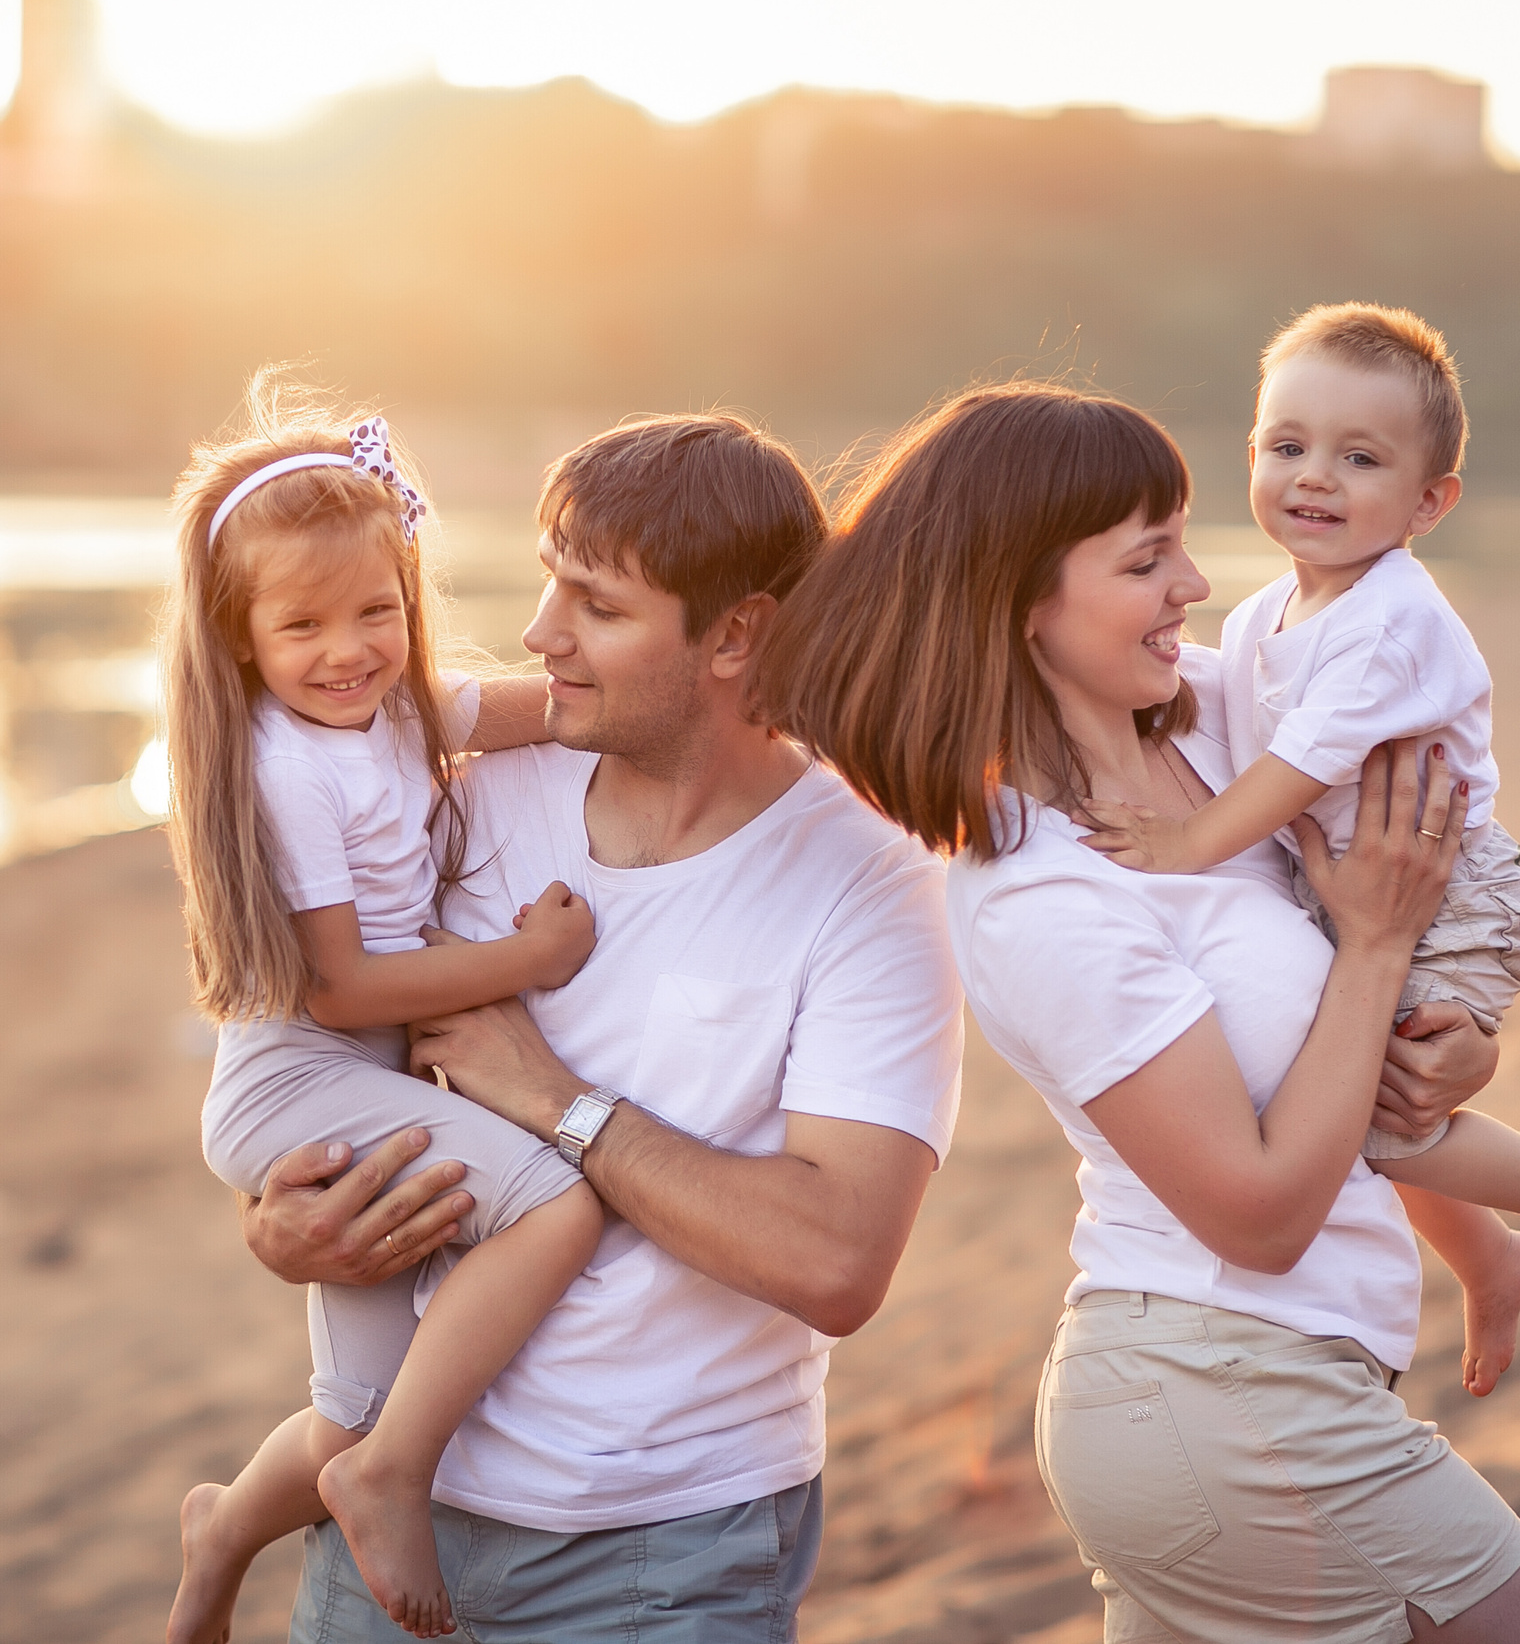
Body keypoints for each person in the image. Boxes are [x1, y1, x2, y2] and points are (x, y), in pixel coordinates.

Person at [759, 382, 1520, 1639]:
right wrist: (1375, 950)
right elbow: (1262, 1213)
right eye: (1146, 559)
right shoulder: (1038, 894)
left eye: (1183, 543)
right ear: (1020, 602)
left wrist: (1457, 1032)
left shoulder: (1225, 723)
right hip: (1226, 1389)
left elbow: (1426, 844)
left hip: (1241, 1397)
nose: (1195, 587)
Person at [236, 413, 967, 1644]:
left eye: (597, 605)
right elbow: (322, 1050)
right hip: (382, 1515)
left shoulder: (869, 881)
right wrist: (282, 1220)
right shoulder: (465, 797)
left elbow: (838, 1265)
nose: (540, 634)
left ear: (736, 635)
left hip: (667, 1553)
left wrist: (554, 1099)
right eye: (546, 579)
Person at [1077, 303, 1520, 1395]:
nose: (1312, 477)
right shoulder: (1265, 614)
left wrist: (1187, 838)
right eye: (1286, 447)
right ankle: (1490, 1258)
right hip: (1356, 891)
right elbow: (1215, 702)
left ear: (1429, 503)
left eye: (1358, 457)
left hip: (1455, 888)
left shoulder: (1389, 622)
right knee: (1366, 1106)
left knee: (1370, 1116)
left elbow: (1296, 767)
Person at [162, 378, 606, 1643]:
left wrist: (744, 693)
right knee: (552, 1203)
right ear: (242, 637)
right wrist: (532, 957)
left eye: (377, 608)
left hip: (364, 1081)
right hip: (300, 1080)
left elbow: (552, 709)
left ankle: (220, 1539)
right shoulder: (286, 766)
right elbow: (343, 986)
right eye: (301, 624)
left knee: (354, 1403)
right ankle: (391, 1478)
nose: (347, 649)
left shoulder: (397, 707)